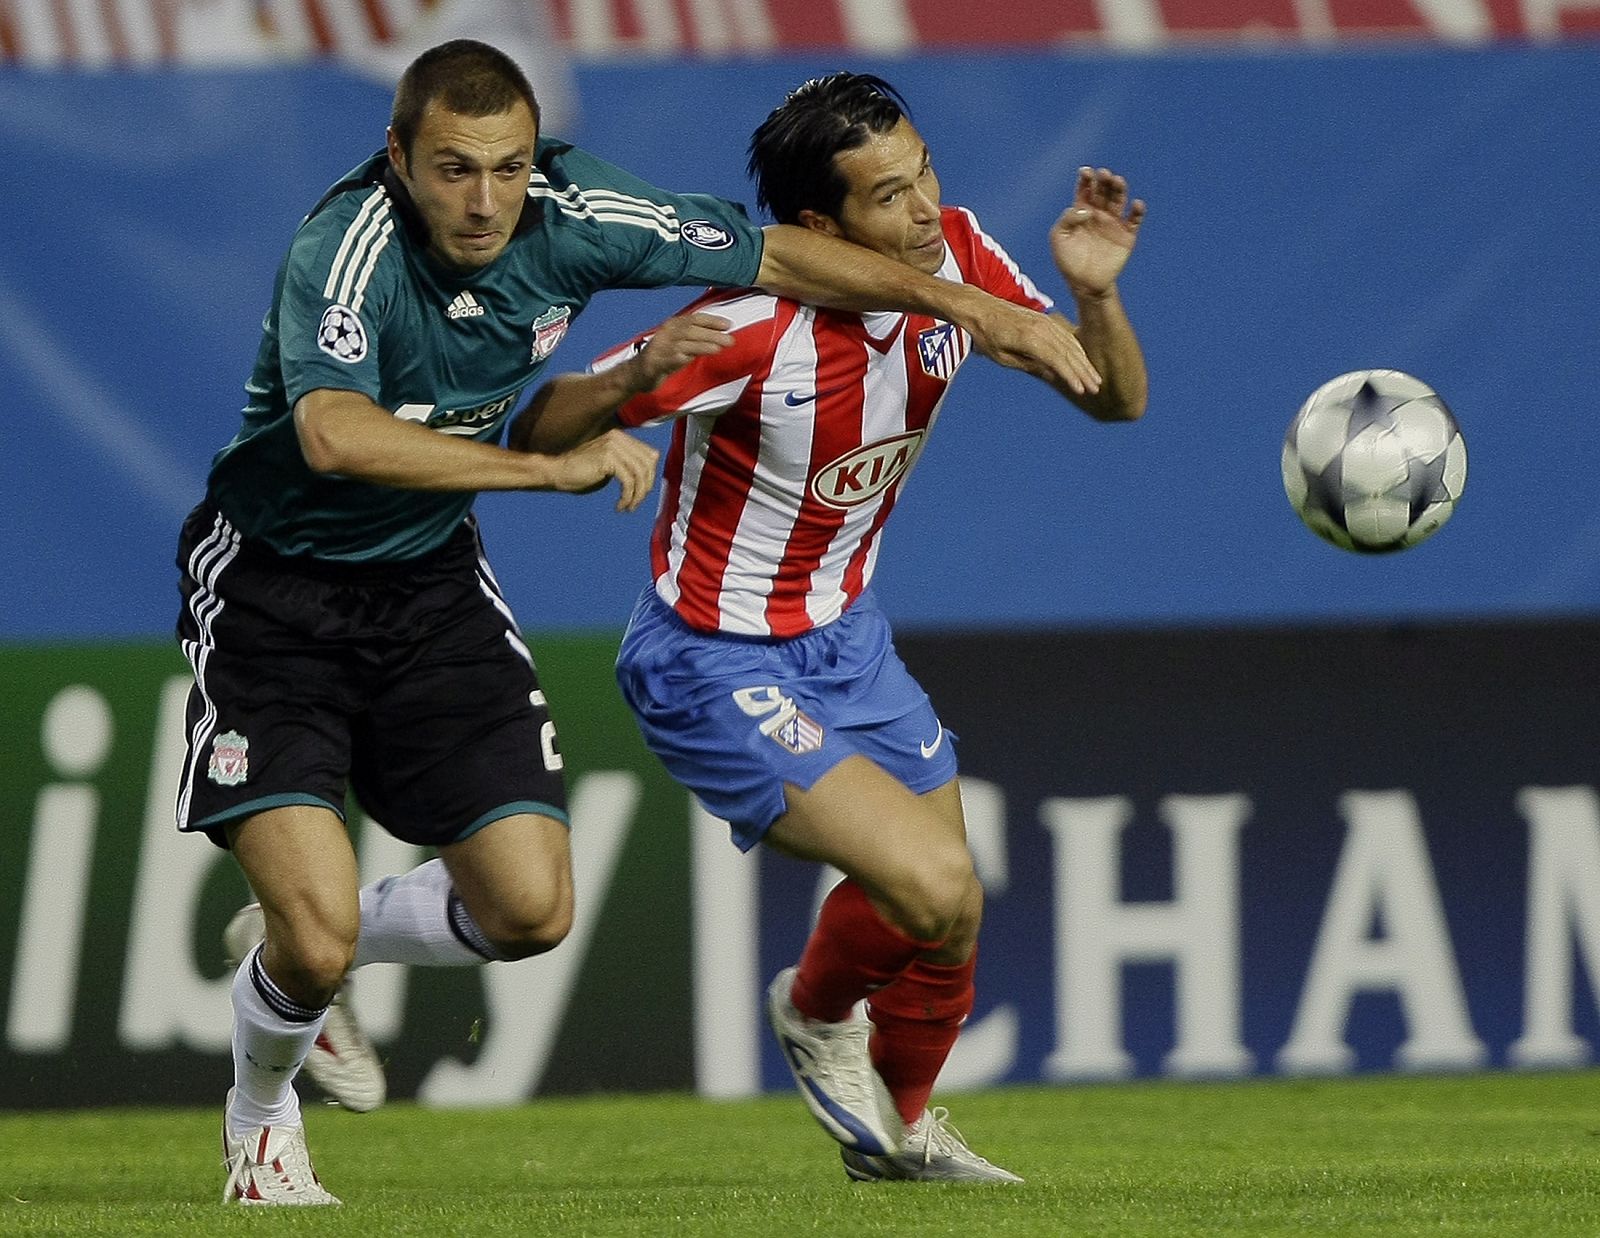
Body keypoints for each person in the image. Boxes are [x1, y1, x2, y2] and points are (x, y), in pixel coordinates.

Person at [176, 41, 1101, 1208]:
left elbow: (773, 252)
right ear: (399, 158)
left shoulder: (581, 213)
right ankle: (261, 1129)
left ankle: (319, 933)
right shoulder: (346, 248)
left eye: (509, 168)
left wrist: (972, 304)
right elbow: (334, 439)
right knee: (306, 951)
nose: (484, 200)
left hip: (427, 582)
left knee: (530, 909)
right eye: (453, 169)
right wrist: (548, 470)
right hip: (273, 586)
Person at [518, 72, 1148, 1183]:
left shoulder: (951, 254)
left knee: (948, 911)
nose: (921, 211)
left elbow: (1113, 400)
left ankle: (899, 1139)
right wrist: (627, 384)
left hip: (845, 639)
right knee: (932, 883)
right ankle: (814, 1013)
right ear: (818, 226)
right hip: (710, 655)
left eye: (925, 176)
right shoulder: (750, 326)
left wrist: (1091, 295)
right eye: (887, 196)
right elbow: (542, 423)